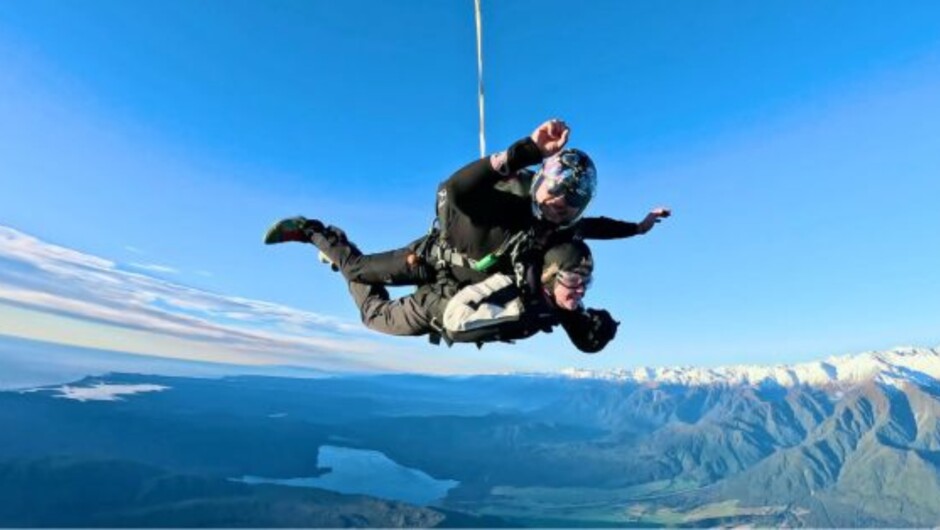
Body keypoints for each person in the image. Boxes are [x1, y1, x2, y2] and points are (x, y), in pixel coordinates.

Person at [270, 222, 617, 352]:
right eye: (574, 280)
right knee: (369, 302)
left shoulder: (551, 294)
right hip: (437, 296)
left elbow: (584, 226)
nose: (582, 291)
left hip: (445, 282)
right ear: (550, 275)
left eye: (586, 282)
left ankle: (338, 256)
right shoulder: (526, 294)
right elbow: (459, 318)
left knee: (365, 288)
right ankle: (317, 234)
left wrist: (637, 227)